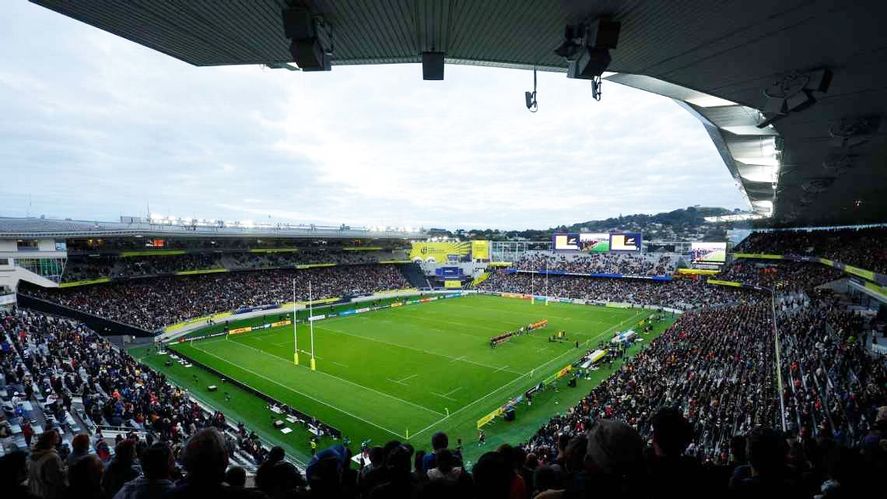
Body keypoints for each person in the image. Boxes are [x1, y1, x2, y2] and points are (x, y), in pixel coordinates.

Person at [29, 430, 66, 499]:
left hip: (36, 489)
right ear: (51, 440)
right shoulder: (51, 457)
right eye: (56, 436)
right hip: (49, 493)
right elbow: (55, 479)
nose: (59, 438)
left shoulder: (34, 453)